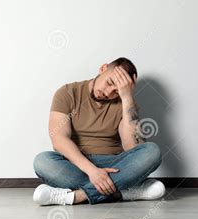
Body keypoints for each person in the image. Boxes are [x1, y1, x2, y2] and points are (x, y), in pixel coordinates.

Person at [32, 57, 165, 205]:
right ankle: (123, 192)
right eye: (109, 83)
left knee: (152, 151)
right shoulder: (67, 93)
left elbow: (133, 148)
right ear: (103, 68)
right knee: (42, 161)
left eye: (116, 91)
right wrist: (92, 171)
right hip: (77, 164)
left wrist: (126, 97)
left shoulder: (126, 105)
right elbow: (58, 139)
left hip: (115, 165)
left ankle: (75, 196)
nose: (108, 93)